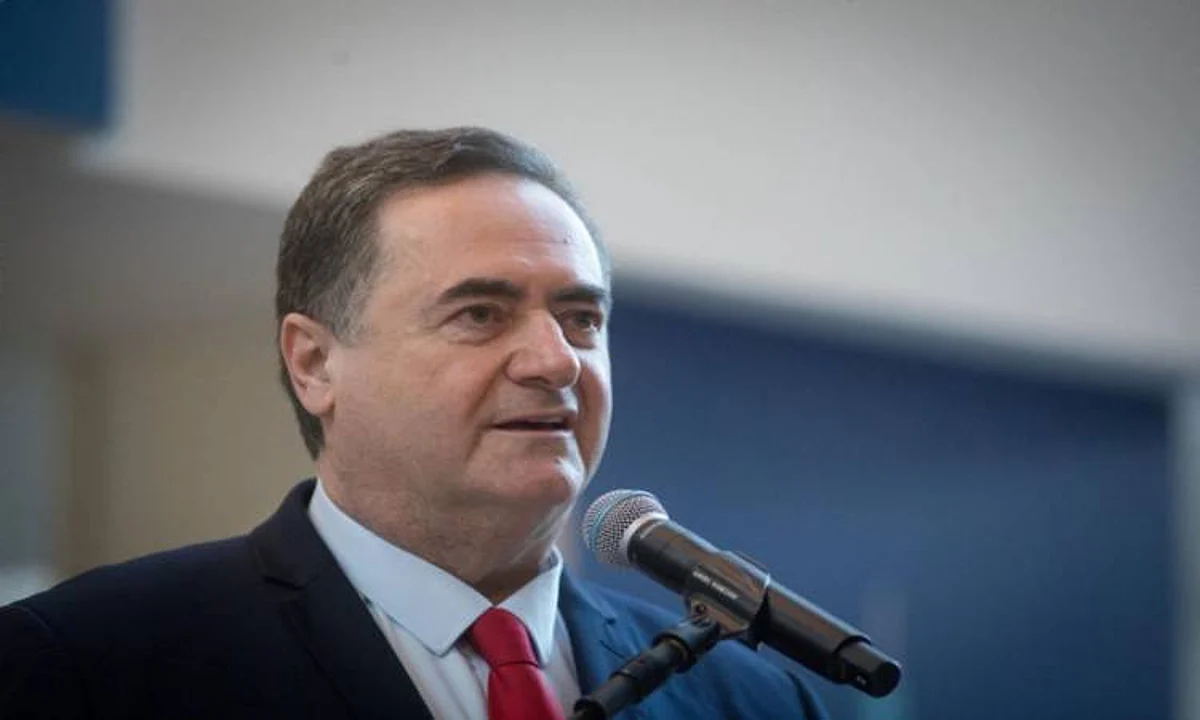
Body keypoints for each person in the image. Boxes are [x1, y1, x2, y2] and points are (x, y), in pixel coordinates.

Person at [0, 127, 827, 719]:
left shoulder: (752, 699)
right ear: (314, 364)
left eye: (582, 319)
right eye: (479, 313)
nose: (556, 361)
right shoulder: (86, 663)